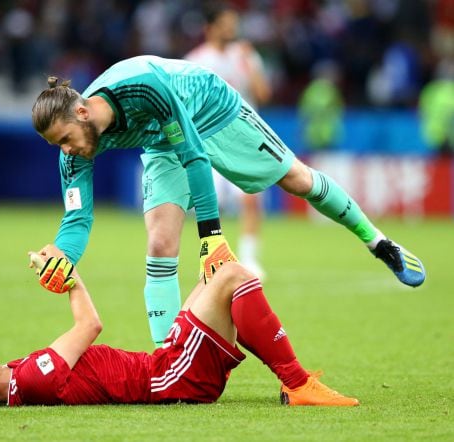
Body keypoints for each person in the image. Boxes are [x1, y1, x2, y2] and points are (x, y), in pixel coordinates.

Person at [31, 55, 426, 346]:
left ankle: (379, 242)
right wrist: (63, 257)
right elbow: (78, 219)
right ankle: (169, 361)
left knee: (296, 179)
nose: (66, 151)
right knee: (160, 242)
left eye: (65, 139)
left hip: (209, 109)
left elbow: (195, 155)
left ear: (82, 111)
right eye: (57, 145)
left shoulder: (140, 87)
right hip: (159, 141)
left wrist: (211, 236)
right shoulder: (73, 150)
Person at [0, 244, 359, 407]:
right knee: (232, 276)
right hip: (174, 378)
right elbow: (90, 324)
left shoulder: (6, 382)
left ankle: (292, 383)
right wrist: (68, 276)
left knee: (218, 269)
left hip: (168, 367)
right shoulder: (31, 381)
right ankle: (297, 383)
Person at [185, 3, 271, 279]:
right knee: (213, 204)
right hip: (209, 141)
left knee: (251, 199)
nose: (231, 29)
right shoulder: (194, 60)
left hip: (245, 139)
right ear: (209, 28)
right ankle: (214, 258)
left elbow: (263, 94)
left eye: (233, 23)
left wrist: (250, 64)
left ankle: (248, 259)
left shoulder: (245, 54)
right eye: (225, 23)